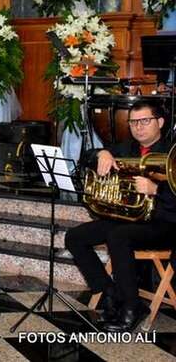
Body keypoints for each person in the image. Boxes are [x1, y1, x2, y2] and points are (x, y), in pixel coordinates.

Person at [65, 100, 176, 332]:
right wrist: (102, 153)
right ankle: (109, 292)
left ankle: (132, 307)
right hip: (130, 219)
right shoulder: (125, 148)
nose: (138, 127)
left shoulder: (171, 153)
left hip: (164, 223)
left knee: (119, 236)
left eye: (145, 121)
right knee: (74, 237)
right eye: (133, 122)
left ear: (160, 122)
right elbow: (87, 157)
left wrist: (156, 190)